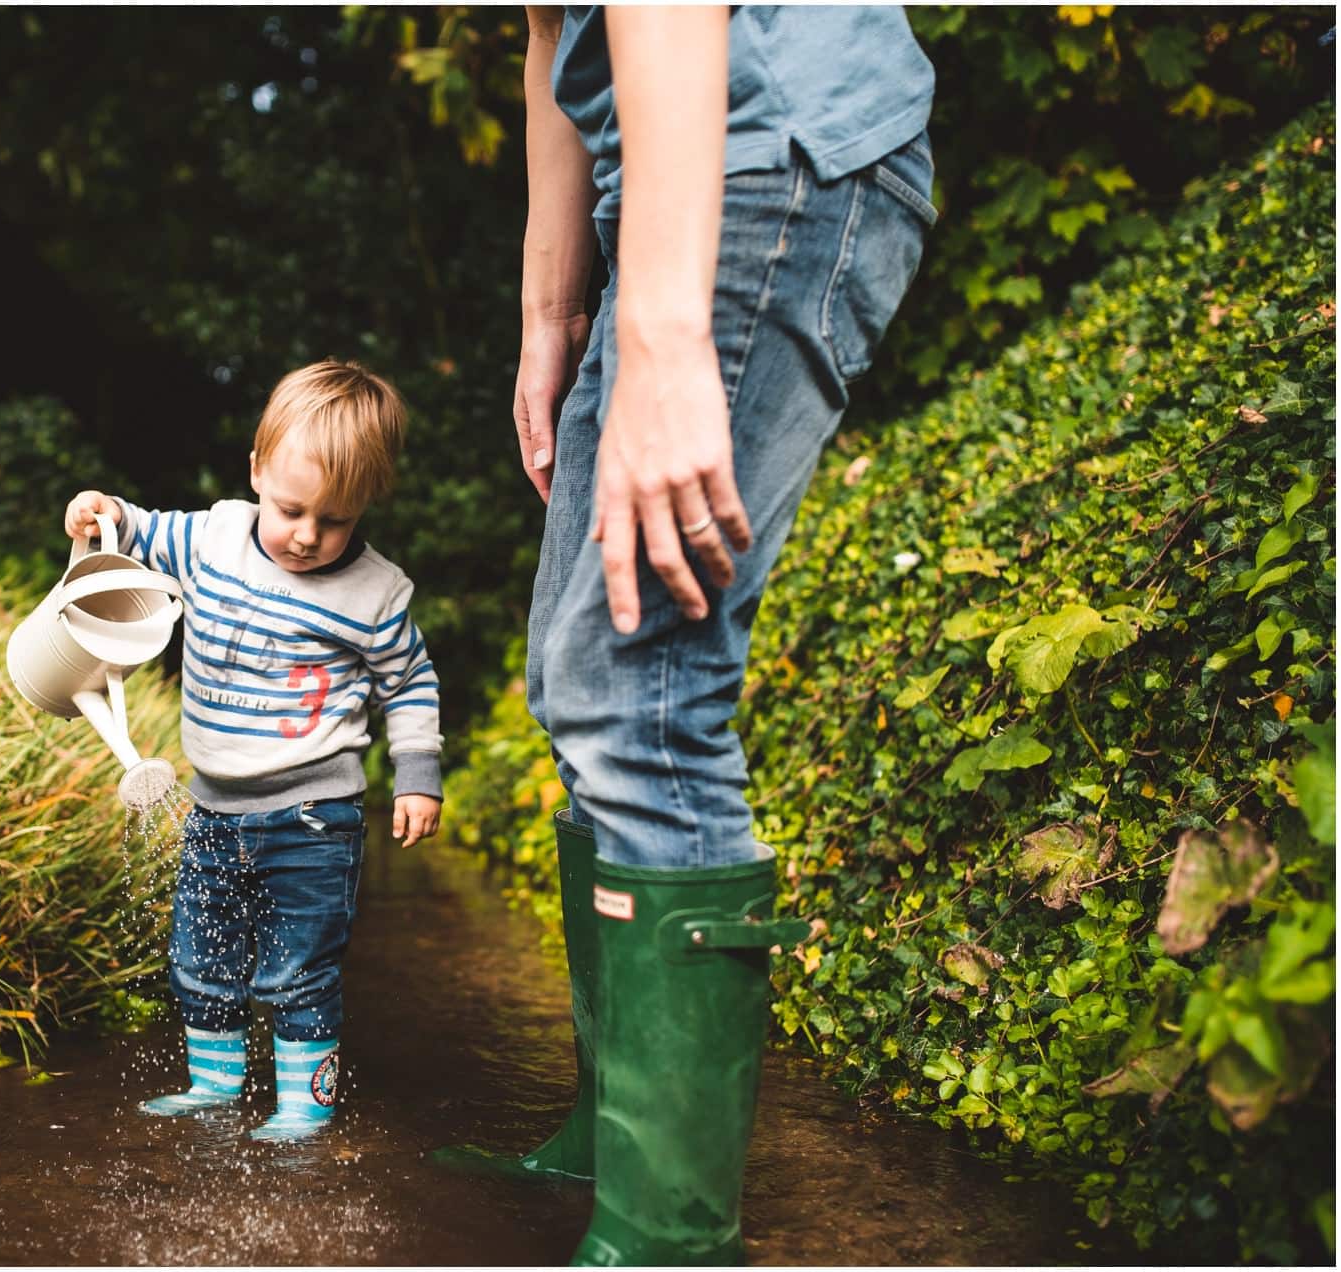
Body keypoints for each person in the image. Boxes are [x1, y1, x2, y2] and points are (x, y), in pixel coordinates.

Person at [438, 6, 937, 1265]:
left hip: (770, 159)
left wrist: (658, 339)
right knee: (576, 675)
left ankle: (668, 1237)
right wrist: (549, 311)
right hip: (677, 180)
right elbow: (554, 24)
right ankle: (617, 1148)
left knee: (639, 695)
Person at [63, 360, 443, 1142]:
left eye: (334, 521)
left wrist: (418, 777)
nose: (307, 536)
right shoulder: (217, 536)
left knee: (298, 967)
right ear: (257, 473)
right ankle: (215, 1081)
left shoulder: (374, 594)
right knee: (201, 958)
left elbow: (409, 683)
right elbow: (136, 530)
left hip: (314, 817)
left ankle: (306, 1100)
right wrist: (99, 514)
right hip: (213, 805)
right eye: (292, 509)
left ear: (369, 502)